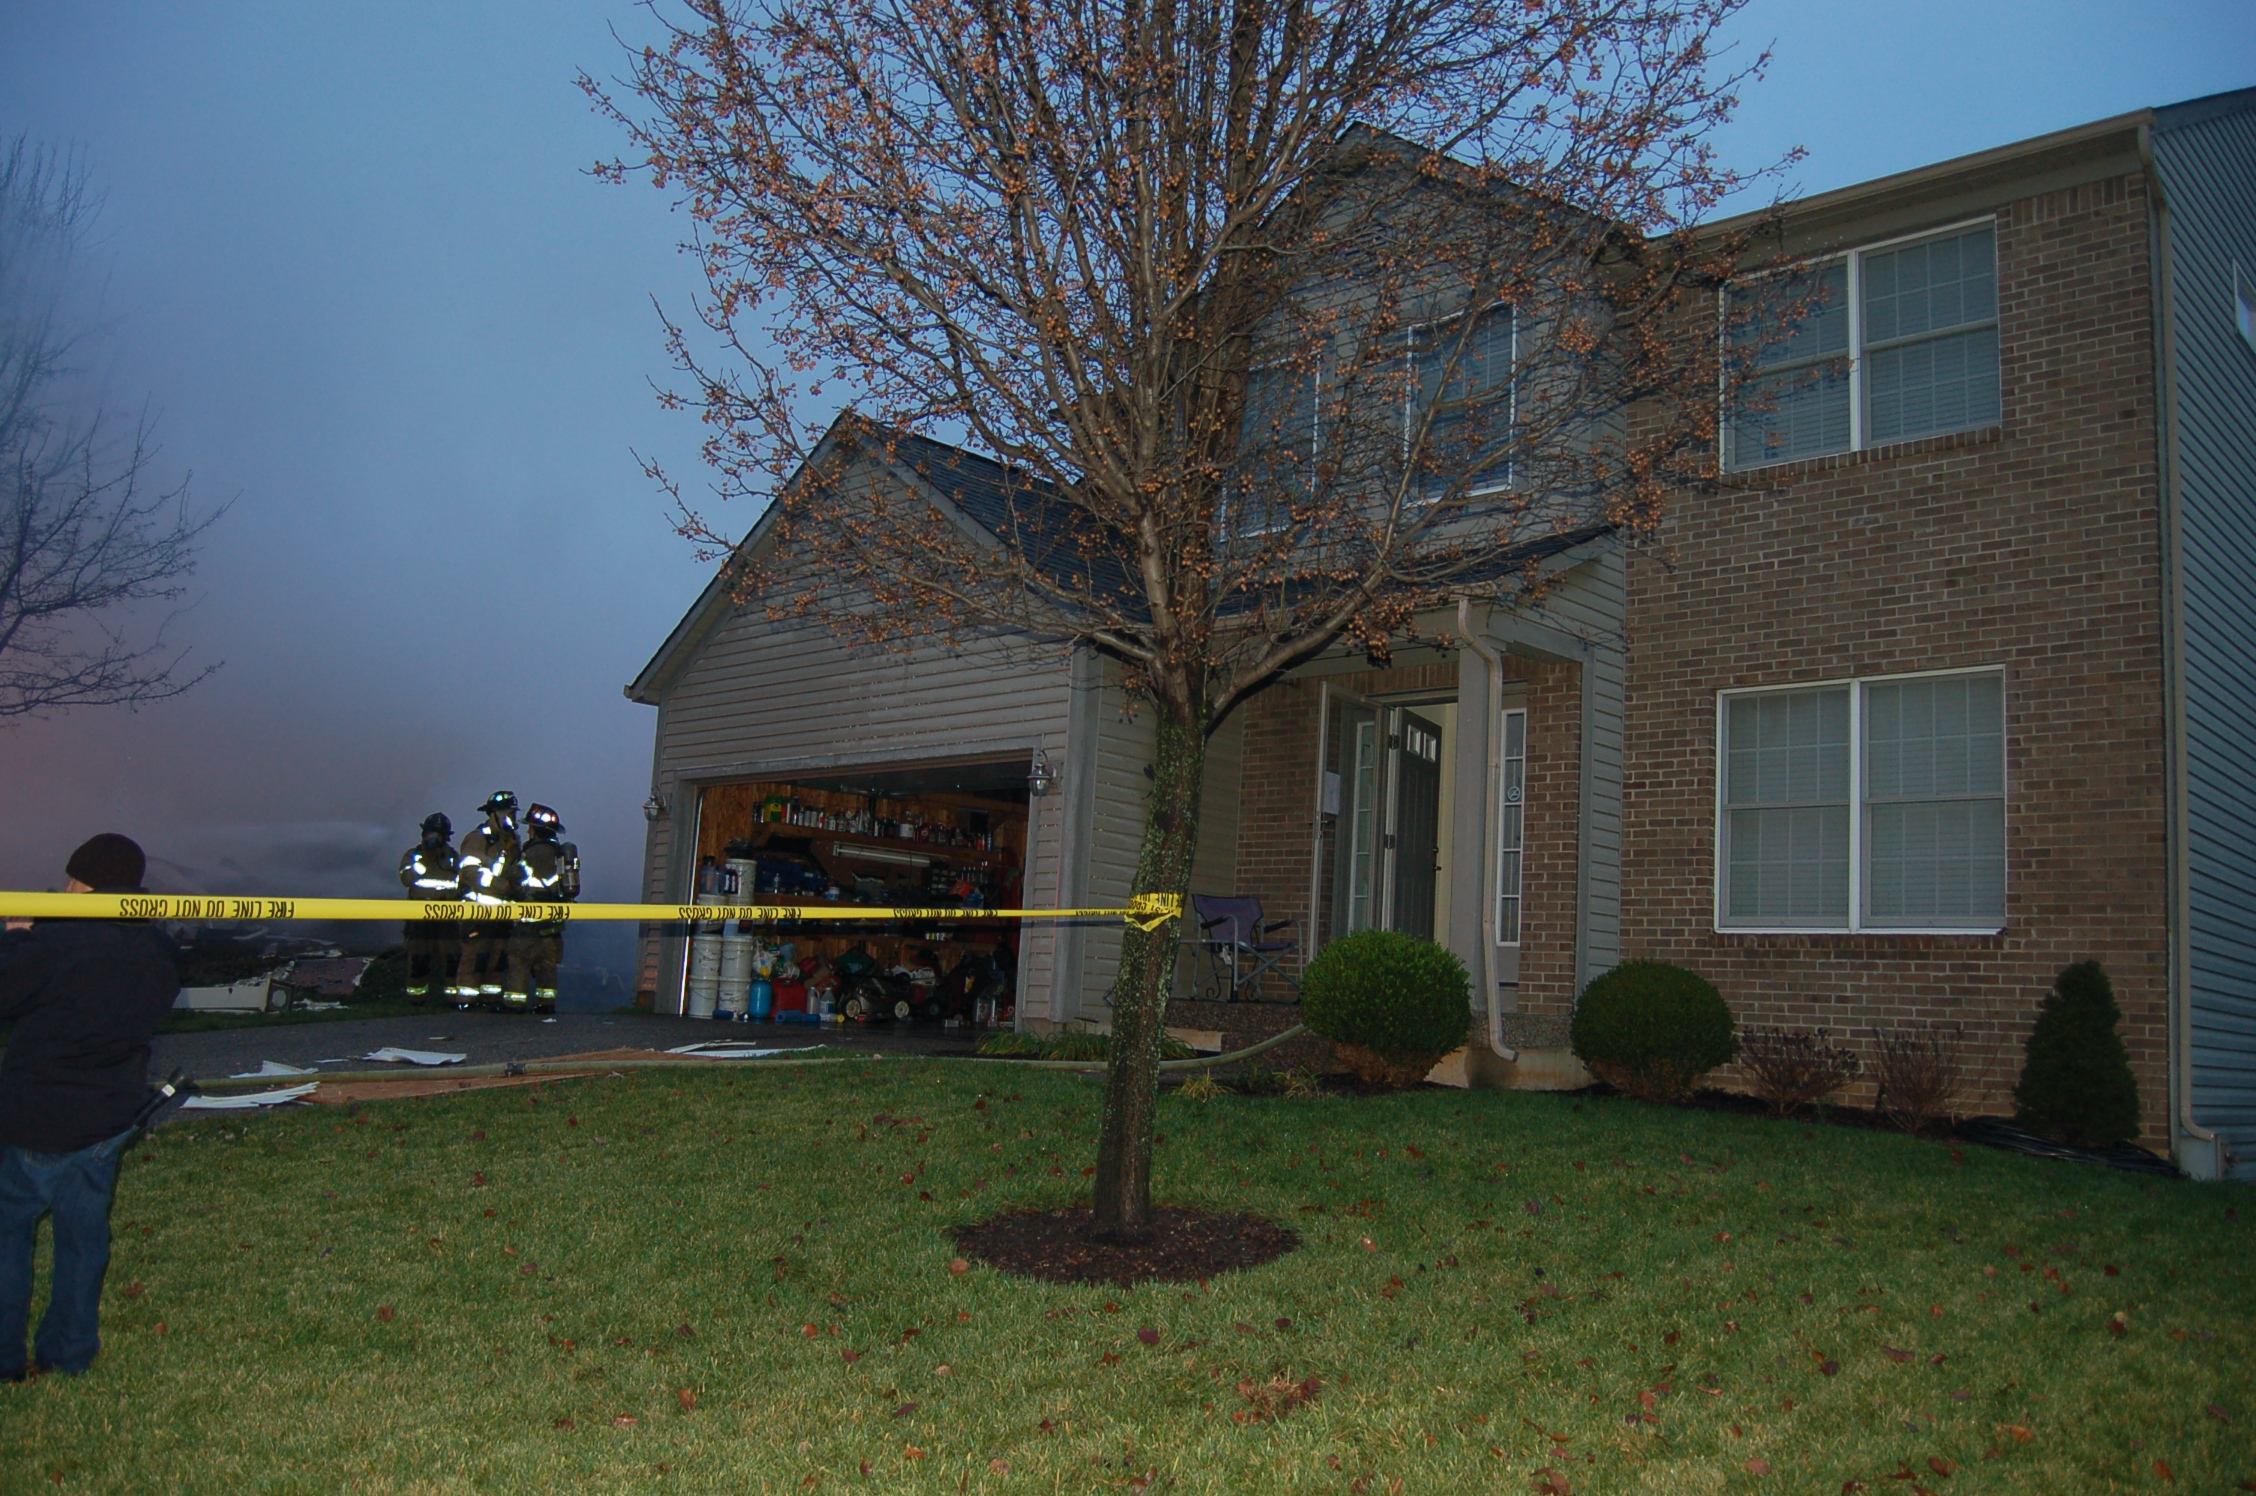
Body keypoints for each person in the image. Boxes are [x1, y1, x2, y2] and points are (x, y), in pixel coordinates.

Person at [0, 834, 180, 1382]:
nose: (65, 889)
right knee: (83, 1241)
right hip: (109, 1117)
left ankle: (5, 1359)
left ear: (86, 883)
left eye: (72, 880)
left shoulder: (57, 941)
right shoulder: (158, 949)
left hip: (40, 1114)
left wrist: (17, 937)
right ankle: (70, 1354)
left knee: (9, 1233)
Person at [504, 803, 579, 1014]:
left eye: (530, 827)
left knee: (519, 960)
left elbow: (515, 874)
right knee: (547, 965)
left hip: (531, 919)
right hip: (553, 921)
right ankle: (545, 1004)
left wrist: (506, 859)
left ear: (536, 830)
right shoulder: (559, 853)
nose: (528, 831)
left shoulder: (534, 852)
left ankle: (515, 1004)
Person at [453, 791, 521, 1009]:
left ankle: (490, 1000)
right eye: (507, 813)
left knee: (497, 958)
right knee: (474, 956)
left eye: (512, 814)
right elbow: (469, 871)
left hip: (502, 912)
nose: (512, 818)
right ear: (493, 815)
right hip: (478, 910)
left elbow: (515, 871)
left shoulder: (511, 841)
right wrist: (500, 885)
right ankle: (466, 1001)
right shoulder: (477, 838)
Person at [395, 813, 461, 1006]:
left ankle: (452, 1000)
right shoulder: (413, 855)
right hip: (420, 917)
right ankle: (417, 1000)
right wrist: (425, 861)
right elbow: (406, 879)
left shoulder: (453, 858)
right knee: (419, 960)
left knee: (451, 959)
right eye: (429, 833)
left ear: (445, 836)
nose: (432, 838)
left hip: (447, 917)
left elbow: (462, 883)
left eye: (436, 834)